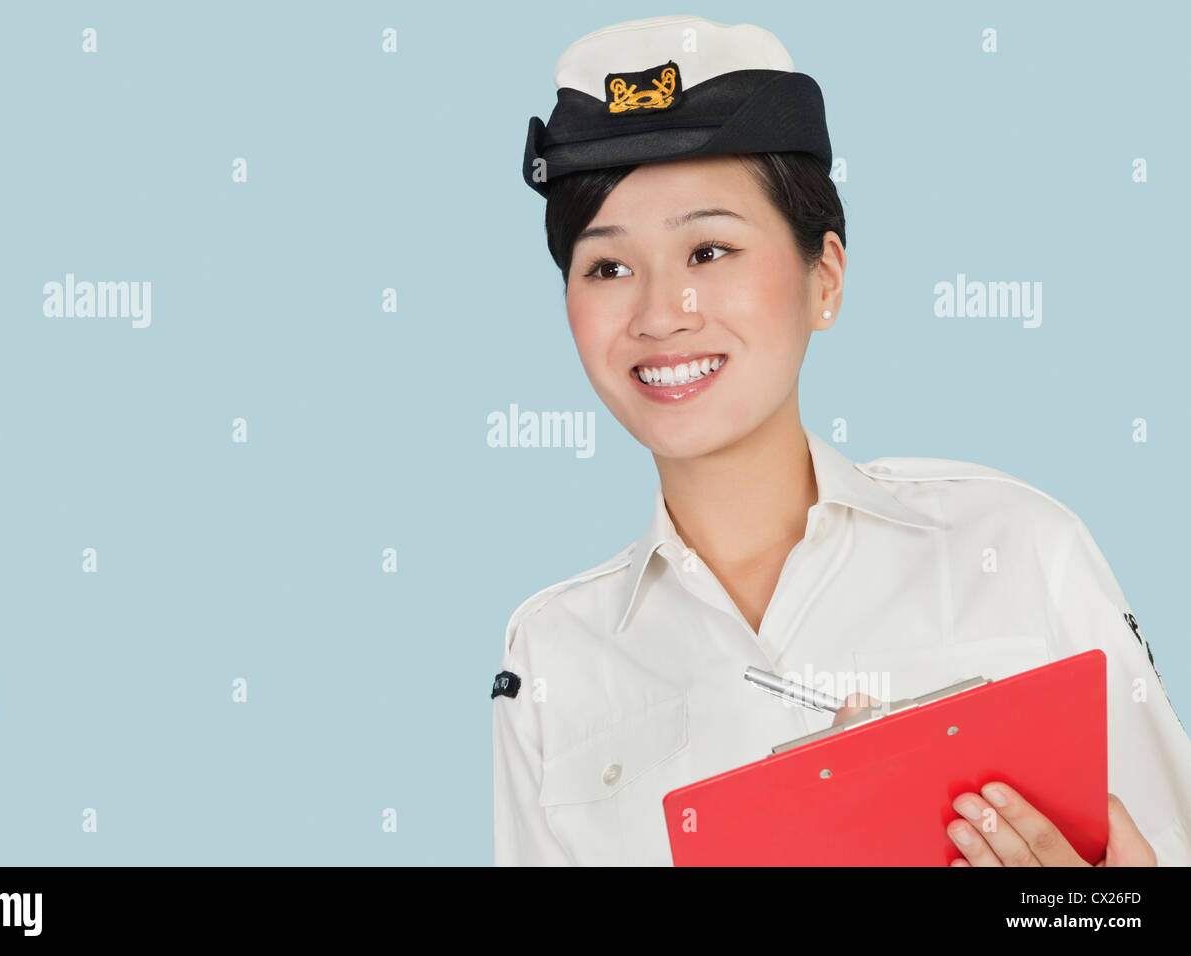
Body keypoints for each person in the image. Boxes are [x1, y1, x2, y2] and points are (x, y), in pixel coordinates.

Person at [492, 14, 1191, 866]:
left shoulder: (1019, 549)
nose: (658, 314)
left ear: (825, 278)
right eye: (607, 267)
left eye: (709, 250)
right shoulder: (551, 659)